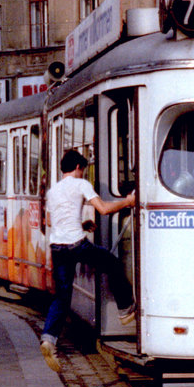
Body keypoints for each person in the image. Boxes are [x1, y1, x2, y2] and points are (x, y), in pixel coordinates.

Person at [40, 150, 136, 373]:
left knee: (62, 297)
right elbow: (103, 209)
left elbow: (50, 221)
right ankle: (124, 310)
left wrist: (80, 224)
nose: (82, 172)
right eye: (82, 168)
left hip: (57, 247)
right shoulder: (81, 183)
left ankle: (48, 339)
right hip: (76, 244)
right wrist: (128, 202)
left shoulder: (53, 191)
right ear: (77, 168)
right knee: (110, 263)